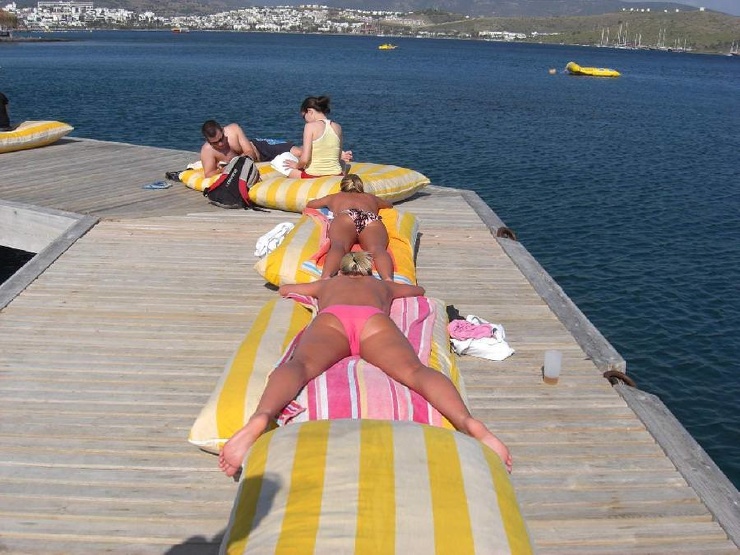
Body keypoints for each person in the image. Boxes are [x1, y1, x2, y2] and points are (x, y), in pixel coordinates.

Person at [218, 251, 513, 478]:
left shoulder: (328, 283)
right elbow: (419, 291)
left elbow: (286, 290)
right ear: (368, 269)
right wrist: (388, 287)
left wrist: (319, 287)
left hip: (333, 319)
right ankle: (469, 423)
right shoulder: (381, 286)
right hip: (373, 321)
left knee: (301, 366)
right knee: (415, 372)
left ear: (342, 269)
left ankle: (261, 417)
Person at [306, 174, 395, 281]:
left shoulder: (335, 197)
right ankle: (388, 279)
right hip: (369, 218)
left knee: (338, 246)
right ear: (360, 186)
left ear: (342, 186)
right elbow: (389, 204)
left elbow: (311, 204)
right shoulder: (370, 197)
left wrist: (327, 203)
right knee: (377, 249)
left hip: (346, 217)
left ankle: (326, 277)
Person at [199, 120, 300, 178]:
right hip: (255, 163)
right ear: (208, 141)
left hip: (260, 148)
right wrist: (223, 170)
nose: (220, 144)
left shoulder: (233, 130)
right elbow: (208, 174)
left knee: (299, 152)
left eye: (221, 139)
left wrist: (236, 162)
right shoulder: (207, 151)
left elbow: (250, 151)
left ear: (223, 130)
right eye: (215, 143)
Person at [283, 96, 349, 179]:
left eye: (304, 117)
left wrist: (296, 165)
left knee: (283, 166)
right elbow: (338, 157)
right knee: (342, 162)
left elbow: (304, 159)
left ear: (310, 111)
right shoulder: (338, 127)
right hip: (337, 174)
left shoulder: (310, 126)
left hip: (313, 175)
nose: (305, 120)